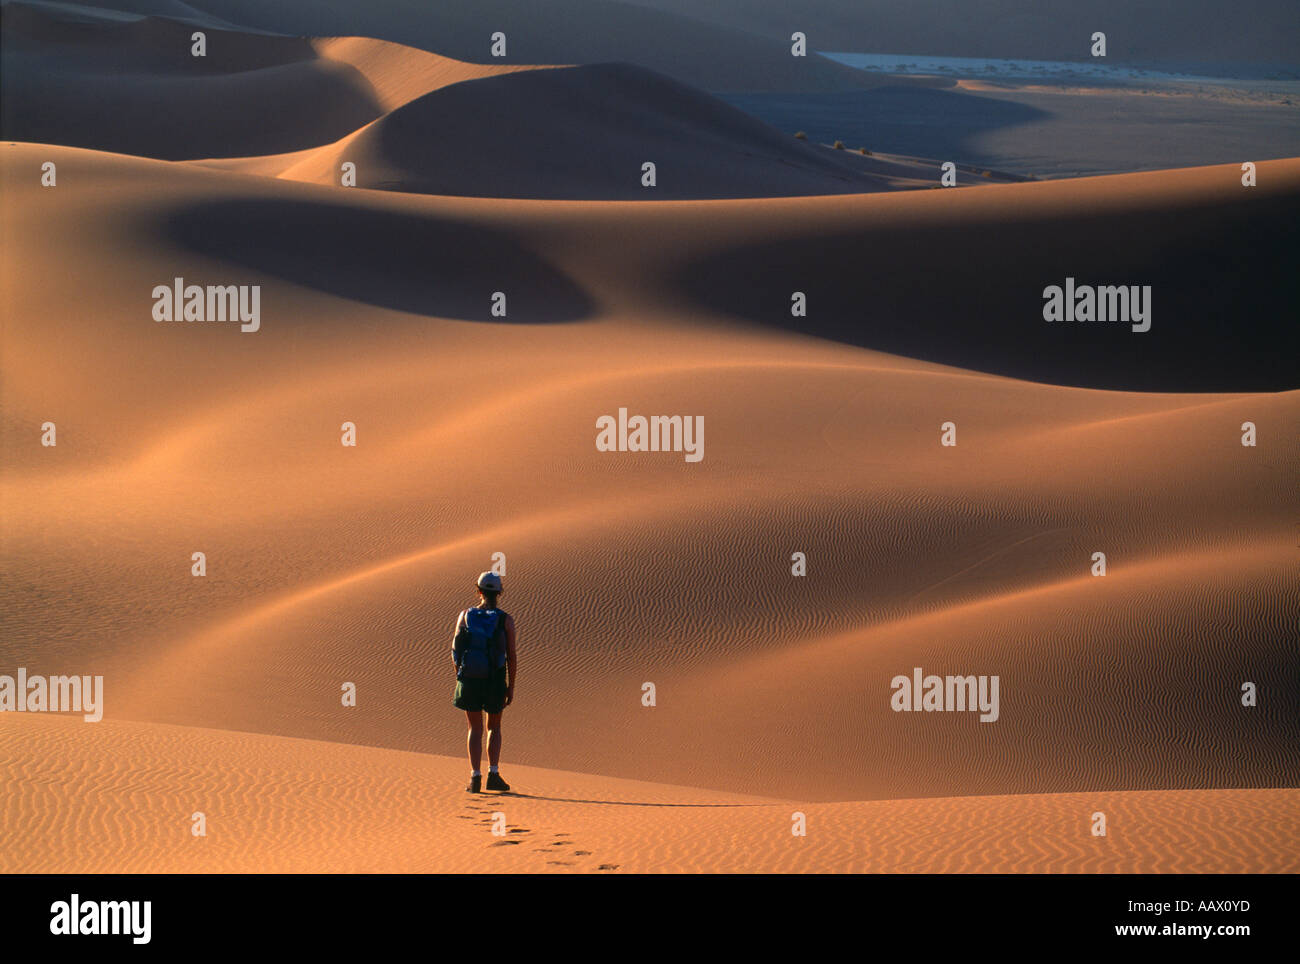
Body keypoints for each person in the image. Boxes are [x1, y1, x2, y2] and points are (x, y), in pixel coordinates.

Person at [452, 572, 517, 793]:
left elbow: (455, 650)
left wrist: (461, 676)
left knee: (474, 728)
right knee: (494, 727)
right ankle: (494, 774)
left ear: (478, 591)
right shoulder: (505, 619)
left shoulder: (465, 615)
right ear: (499, 593)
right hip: (495, 680)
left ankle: (475, 778)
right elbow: (511, 655)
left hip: (470, 678)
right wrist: (511, 686)